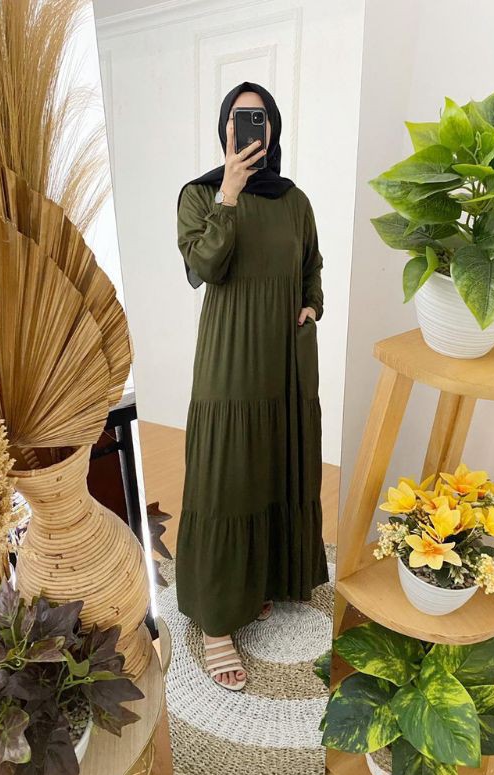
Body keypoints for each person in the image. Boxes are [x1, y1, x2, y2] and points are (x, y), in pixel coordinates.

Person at [175, 82, 328, 690]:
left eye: (259, 118)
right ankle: (216, 620)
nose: (249, 127)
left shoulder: (295, 201)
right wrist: (230, 196)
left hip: (285, 356)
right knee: (227, 474)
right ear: (225, 129)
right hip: (232, 354)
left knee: (271, 464)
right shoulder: (199, 194)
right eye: (240, 118)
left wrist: (312, 305)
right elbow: (204, 267)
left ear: (274, 128)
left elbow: (311, 262)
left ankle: (258, 581)